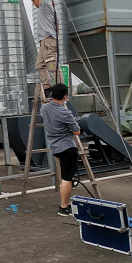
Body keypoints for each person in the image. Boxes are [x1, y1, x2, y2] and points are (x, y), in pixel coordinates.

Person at [40, 83, 80, 217]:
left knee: (66, 177)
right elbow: (77, 131)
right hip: (67, 147)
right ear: (65, 96)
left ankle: (65, 203)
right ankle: (64, 207)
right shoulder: (65, 113)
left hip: (54, 147)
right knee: (67, 178)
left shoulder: (44, 108)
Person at [32, 0, 58, 99]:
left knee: (52, 66)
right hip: (44, 41)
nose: (34, 5)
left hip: (48, 40)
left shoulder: (44, 4)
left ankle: (59, 89)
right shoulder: (48, 10)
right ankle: (47, 88)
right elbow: (58, 25)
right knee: (39, 65)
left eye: (34, 2)